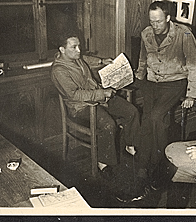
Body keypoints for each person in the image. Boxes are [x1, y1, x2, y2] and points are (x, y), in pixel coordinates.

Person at [51, 33, 141, 174]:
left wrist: (101, 61)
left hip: (98, 98)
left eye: (79, 46)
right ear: (62, 50)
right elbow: (74, 94)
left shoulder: (76, 58)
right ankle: (103, 162)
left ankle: (129, 145)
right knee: (108, 124)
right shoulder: (59, 70)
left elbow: (85, 58)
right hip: (81, 107)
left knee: (132, 111)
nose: (79, 50)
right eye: (74, 47)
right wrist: (102, 93)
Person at [134, 0, 196, 181]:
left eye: (158, 21)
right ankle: (142, 166)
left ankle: (162, 163)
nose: (154, 26)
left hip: (175, 82)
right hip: (151, 82)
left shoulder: (184, 34)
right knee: (147, 119)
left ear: (168, 18)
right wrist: (138, 77)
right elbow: (143, 58)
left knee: (157, 116)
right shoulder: (146, 34)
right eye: (152, 21)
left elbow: (195, 65)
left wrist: (192, 94)